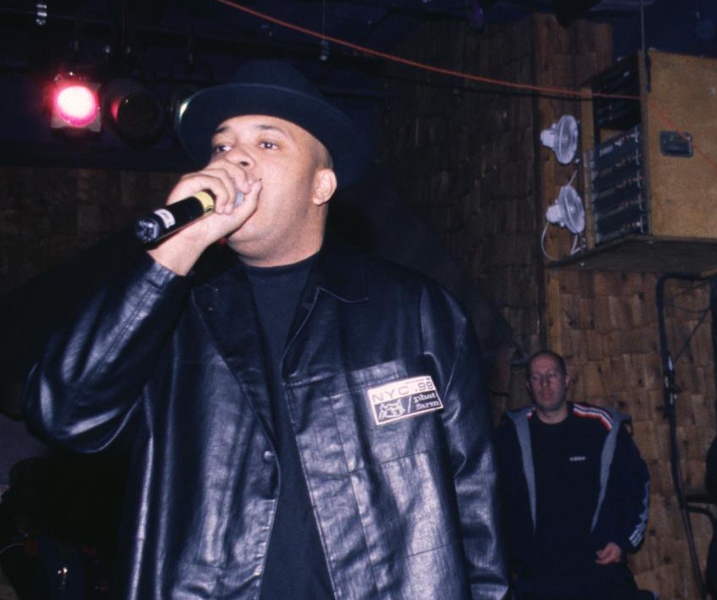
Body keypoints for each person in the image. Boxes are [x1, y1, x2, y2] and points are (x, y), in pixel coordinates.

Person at [24, 60, 508, 599]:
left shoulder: (414, 311)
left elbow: (475, 503)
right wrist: (175, 250)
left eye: (268, 143)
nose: (235, 159)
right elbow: (63, 414)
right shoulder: (170, 317)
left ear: (321, 185)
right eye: (222, 146)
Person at [494, 351, 652, 600]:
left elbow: (637, 483)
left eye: (552, 375)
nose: (545, 384)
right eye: (536, 378)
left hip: (598, 570)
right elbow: (489, 498)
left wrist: (622, 541)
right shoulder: (509, 436)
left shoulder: (601, 426)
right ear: (528, 386)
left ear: (566, 380)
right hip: (537, 578)